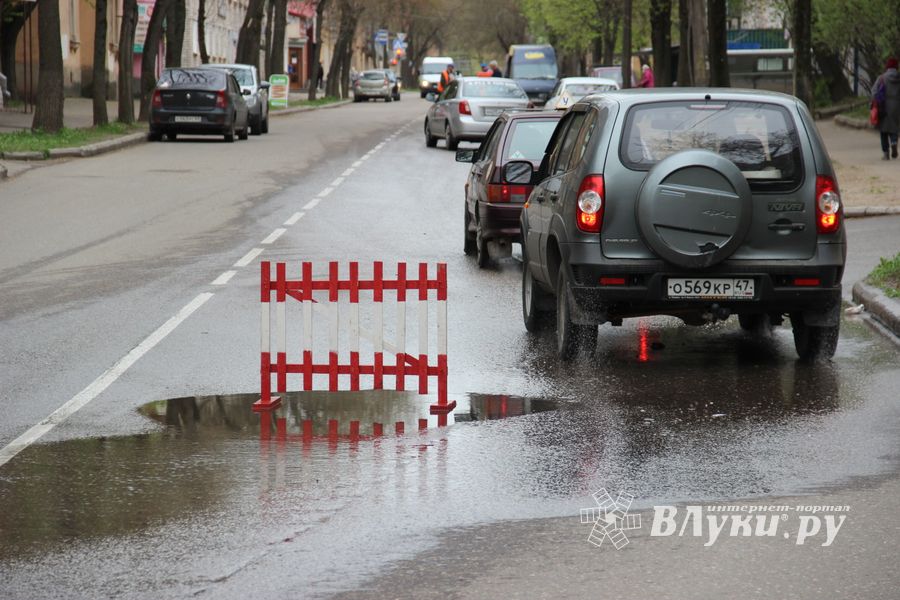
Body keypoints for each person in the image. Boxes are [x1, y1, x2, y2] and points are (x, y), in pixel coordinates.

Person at [872, 57, 900, 160]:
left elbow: (874, 92)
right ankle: (894, 142)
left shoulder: (882, 78)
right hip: (896, 106)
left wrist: (875, 102)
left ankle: (886, 153)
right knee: (894, 127)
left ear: (887, 66)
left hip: (883, 106)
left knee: (883, 130)